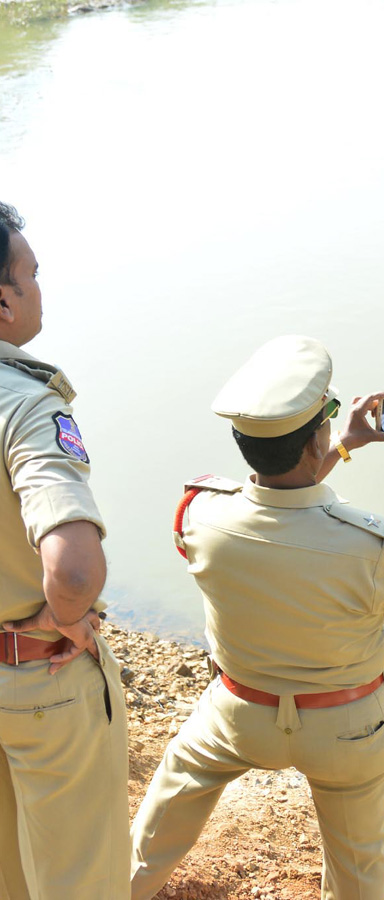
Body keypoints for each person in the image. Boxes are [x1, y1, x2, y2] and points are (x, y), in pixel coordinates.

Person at [129, 336, 384, 900]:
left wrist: (337, 444)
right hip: (346, 730)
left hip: (237, 715)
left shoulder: (198, 516)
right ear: (316, 436)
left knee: (160, 817)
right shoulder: (371, 545)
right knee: (359, 867)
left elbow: (276, 505)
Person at [0, 202, 129, 899]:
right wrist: (69, 616)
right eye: (32, 274)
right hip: (38, 677)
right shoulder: (24, 404)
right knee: (78, 879)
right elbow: (74, 566)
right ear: (2, 298)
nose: (40, 288)